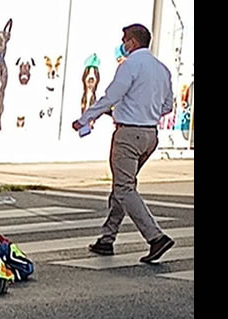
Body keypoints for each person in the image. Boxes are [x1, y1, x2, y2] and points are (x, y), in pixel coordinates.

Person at [72, 24, 176, 264]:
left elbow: (111, 96)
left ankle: (155, 237)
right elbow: (167, 106)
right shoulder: (162, 69)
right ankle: (107, 238)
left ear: (132, 41)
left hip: (128, 135)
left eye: (124, 40)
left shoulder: (130, 65)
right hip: (150, 135)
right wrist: (142, 111)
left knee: (124, 188)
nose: (123, 44)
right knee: (123, 186)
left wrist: (86, 118)